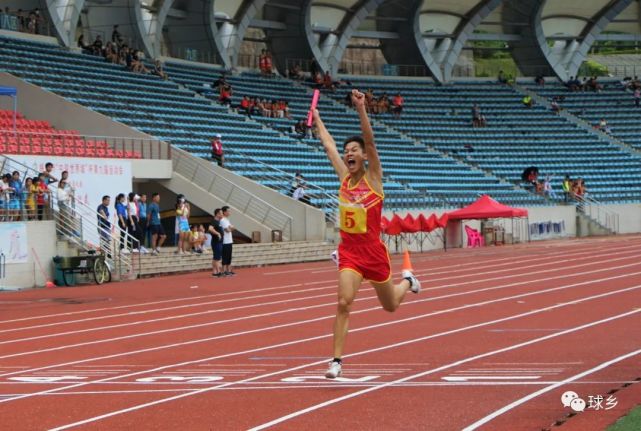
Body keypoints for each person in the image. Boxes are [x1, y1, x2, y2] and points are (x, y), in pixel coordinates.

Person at [312, 90, 421, 379]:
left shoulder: (374, 179)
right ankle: (336, 361)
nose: (349, 153)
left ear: (364, 156)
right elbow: (328, 145)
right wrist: (318, 119)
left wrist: (361, 108)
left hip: (373, 253)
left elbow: (370, 141)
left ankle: (408, 282)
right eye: (347, 150)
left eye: (354, 150)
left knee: (391, 305)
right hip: (349, 253)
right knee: (343, 302)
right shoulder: (343, 177)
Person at [220, 205, 235, 276]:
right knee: (225, 256)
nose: (229, 212)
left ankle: (228, 270)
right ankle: (223, 271)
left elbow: (231, 228)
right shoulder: (223, 220)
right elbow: (228, 230)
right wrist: (231, 228)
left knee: (229, 256)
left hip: (229, 240)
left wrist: (231, 228)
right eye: (228, 211)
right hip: (225, 241)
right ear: (224, 212)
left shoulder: (227, 220)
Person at [208, 208, 224, 277]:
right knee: (217, 258)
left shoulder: (218, 221)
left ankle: (214, 272)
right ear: (217, 214)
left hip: (219, 242)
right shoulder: (214, 221)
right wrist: (218, 233)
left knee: (215, 257)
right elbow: (210, 229)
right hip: (216, 242)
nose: (222, 214)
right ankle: (218, 272)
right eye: (221, 213)